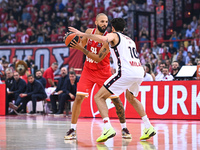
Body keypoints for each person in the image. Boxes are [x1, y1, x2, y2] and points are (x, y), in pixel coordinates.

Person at [69, 17, 156, 142]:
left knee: (98, 97)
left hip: (125, 72)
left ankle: (107, 127)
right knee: (131, 98)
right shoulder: (130, 39)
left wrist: (82, 34)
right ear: (124, 28)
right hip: (139, 71)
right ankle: (148, 126)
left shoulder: (113, 35)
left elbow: (104, 39)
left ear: (113, 28)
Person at [64, 14, 132, 140]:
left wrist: (80, 48)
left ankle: (124, 128)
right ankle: (72, 129)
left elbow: (97, 58)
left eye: (106, 22)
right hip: (88, 71)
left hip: (103, 72)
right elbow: (82, 43)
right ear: (96, 22)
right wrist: (74, 41)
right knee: (78, 98)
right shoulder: (89, 32)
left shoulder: (108, 38)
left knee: (116, 100)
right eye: (102, 21)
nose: (104, 24)